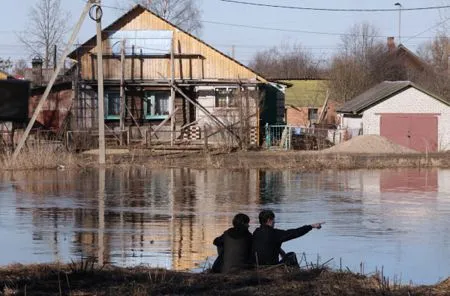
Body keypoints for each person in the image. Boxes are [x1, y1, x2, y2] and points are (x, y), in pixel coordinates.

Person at [251, 210, 324, 266]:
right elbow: (295, 233)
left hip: (256, 265)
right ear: (269, 220)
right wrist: (311, 226)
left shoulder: (256, 232)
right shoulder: (275, 233)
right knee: (291, 255)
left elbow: (266, 243)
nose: (274, 222)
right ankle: (296, 276)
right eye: (273, 220)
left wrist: (279, 249)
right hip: (270, 265)